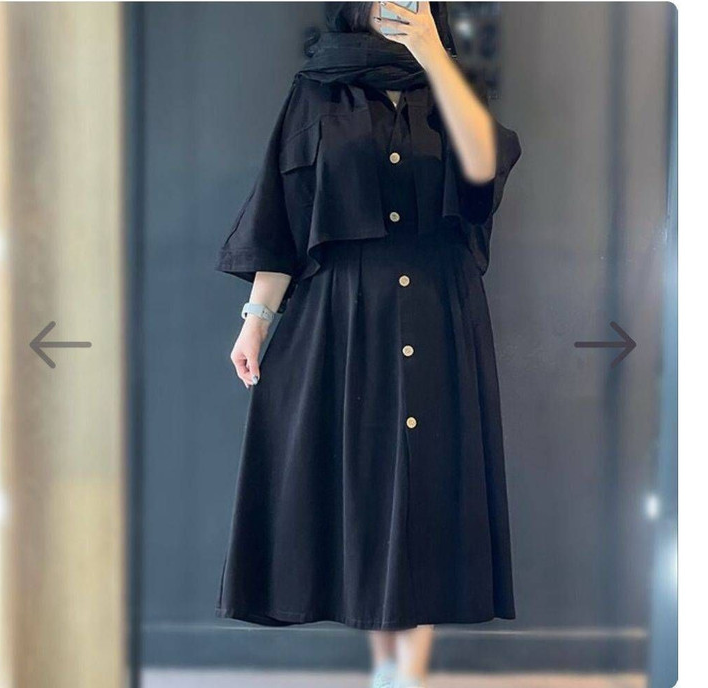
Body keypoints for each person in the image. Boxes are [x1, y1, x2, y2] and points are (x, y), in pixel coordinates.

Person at [214, 3, 522, 687]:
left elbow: (482, 171)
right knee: (370, 483)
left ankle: (409, 673)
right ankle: (386, 666)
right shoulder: (315, 89)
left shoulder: (451, 87)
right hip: (344, 316)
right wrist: (256, 318)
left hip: (439, 311)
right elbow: (283, 212)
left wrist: (434, 57)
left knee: (426, 486)